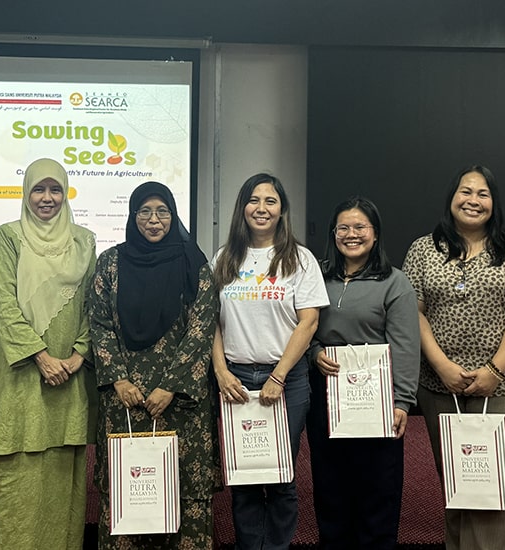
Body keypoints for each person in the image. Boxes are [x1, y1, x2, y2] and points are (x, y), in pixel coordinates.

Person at [401, 165, 505, 550]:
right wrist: (442, 366)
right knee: (456, 479)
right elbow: (410, 312)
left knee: (491, 486)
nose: (473, 200)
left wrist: (495, 370)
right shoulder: (423, 248)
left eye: (483, 194)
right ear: (451, 198)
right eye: (466, 191)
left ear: (493, 203)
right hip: (439, 386)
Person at [89, 181, 219, 549]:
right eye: (144, 211)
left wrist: (170, 385)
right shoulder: (110, 262)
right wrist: (118, 380)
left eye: (162, 211)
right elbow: (99, 324)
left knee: (183, 492)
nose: (153, 219)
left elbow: (202, 327)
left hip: (180, 402)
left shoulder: (194, 263)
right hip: (125, 402)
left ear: (173, 216)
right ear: (133, 216)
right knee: (128, 487)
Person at [0, 158, 96, 549]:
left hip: (70, 379)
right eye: (38, 189)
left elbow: (92, 305)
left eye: (55, 189)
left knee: (64, 482)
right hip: (21, 377)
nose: (47, 198)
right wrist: (42, 357)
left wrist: (79, 355)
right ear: (26, 192)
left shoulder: (85, 240)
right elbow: (3, 305)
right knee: (19, 478)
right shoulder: (9, 236)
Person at [212, 173, 329, 550]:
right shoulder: (225, 257)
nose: (261, 208)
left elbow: (308, 321)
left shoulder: (300, 258)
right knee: (245, 478)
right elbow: (210, 321)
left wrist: (278, 376)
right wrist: (221, 371)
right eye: (254, 200)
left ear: (282, 210)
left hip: (286, 380)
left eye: (270, 201)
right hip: (236, 381)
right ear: (242, 207)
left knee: (281, 477)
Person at [306, 197, 420, 550]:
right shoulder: (316, 277)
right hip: (326, 396)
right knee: (331, 485)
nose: (351, 234)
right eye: (343, 228)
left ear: (375, 234)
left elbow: (405, 344)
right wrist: (314, 354)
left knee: (377, 489)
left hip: (377, 399)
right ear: (333, 233)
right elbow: (301, 329)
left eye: (360, 227)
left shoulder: (394, 282)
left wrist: (402, 401)